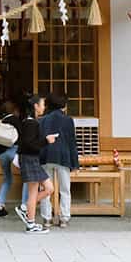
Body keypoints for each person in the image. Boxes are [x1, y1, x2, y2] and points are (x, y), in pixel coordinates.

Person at [14, 94, 57, 233]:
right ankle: (30, 223)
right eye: (42, 104)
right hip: (29, 158)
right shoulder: (31, 123)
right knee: (35, 192)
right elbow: (29, 144)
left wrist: (45, 140)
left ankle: (25, 210)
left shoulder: (30, 122)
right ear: (35, 106)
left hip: (31, 159)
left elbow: (28, 143)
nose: (44, 107)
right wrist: (46, 140)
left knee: (49, 188)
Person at [38, 90, 79, 228]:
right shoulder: (68, 120)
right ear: (64, 105)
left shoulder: (42, 120)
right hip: (63, 156)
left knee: (45, 189)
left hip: (45, 155)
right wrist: (75, 164)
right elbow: (71, 142)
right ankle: (64, 218)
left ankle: (46, 218)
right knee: (65, 189)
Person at [0, 100, 27, 218]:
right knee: (27, 178)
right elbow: (23, 137)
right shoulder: (15, 120)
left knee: (7, 179)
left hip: (2, 155)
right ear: (14, 110)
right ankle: (24, 207)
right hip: (14, 151)